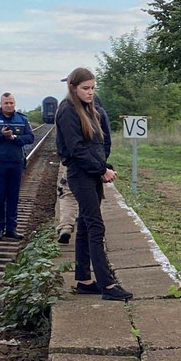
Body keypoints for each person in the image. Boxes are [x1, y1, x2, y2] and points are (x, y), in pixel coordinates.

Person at [55, 68, 131, 301]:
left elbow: (100, 142)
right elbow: (76, 149)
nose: (90, 92)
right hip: (80, 174)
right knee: (96, 226)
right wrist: (100, 169)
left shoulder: (90, 108)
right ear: (73, 87)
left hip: (91, 173)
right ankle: (107, 284)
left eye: (92, 88)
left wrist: (102, 166)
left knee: (87, 226)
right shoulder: (67, 110)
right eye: (85, 88)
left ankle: (84, 280)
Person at [56, 90, 110, 245]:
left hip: (77, 164)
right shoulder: (98, 111)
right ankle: (77, 224)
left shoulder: (67, 109)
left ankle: (66, 225)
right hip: (94, 163)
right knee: (91, 213)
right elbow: (106, 141)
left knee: (67, 192)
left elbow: (69, 145)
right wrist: (101, 164)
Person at [0, 92, 34, 241]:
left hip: (16, 162)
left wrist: (14, 137)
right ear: (1, 104)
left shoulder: (22, 119)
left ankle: (11, 229)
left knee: (13, 196)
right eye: (6, 103)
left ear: (15, 103)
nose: (9, 105)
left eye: (11, 103)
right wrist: (1, 135)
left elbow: (30, 138)